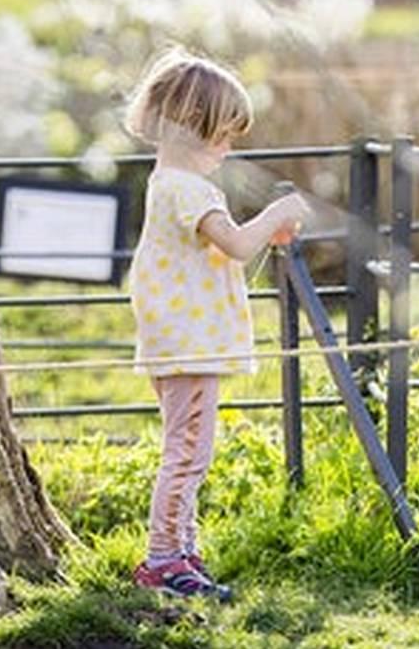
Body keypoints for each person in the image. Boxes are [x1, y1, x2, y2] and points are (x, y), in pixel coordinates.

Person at [122, 50, 309, 600]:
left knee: (188, 449)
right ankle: (162, 558)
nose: (229, 148)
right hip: (190, 346)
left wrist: (257, 235)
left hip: (178, 340)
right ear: (192, 129)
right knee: (188, 454)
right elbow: (234, 242)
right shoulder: (189, 189)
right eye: (223, 135)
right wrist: (277, 214)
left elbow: (217, 254)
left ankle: (182, 553)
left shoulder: (169, 184)